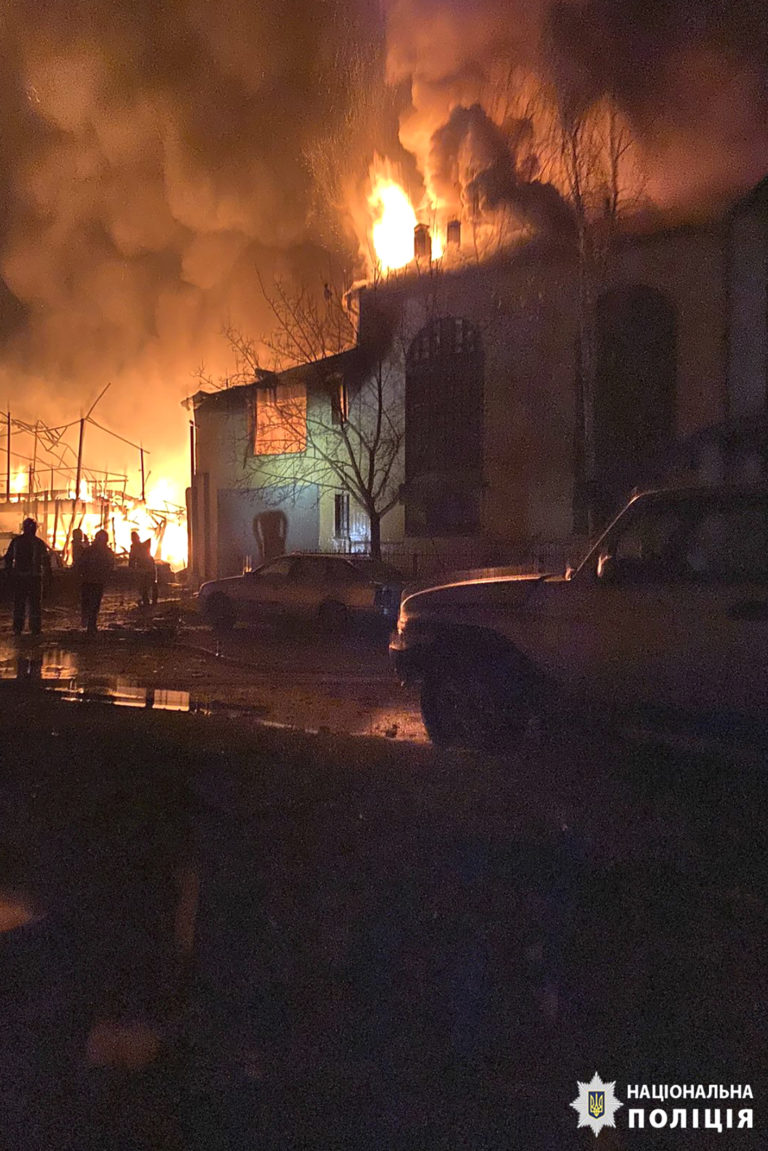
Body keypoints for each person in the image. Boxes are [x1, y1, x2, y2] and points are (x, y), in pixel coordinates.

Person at [4, 518, 51, 636]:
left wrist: (9, 573)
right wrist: (48, 576)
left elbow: (8, 558)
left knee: (19, 603)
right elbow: (46, 560)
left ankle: (18, 628)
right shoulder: (38, 543)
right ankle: (35, 628)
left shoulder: (17, 541)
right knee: (35, 604)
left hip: (20, 578)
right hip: (34, 578)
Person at [78, 529, 114, 634]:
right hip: (94, 580)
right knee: (92, 602)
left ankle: (89, 623)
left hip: (91, 580)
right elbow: (110, 565)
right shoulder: (104, 552)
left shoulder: (89, 551)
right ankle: (90, 623)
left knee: (90, 602)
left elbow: (81, 564)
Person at [129, 531, 156, 608]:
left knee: (144, 585)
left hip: (144, 567)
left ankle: (147, 602)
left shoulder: (135, 547)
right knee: (150, 584)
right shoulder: (144, 545)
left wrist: (131, 567)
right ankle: (151, 601)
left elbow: (132, 558)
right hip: (148, 566)